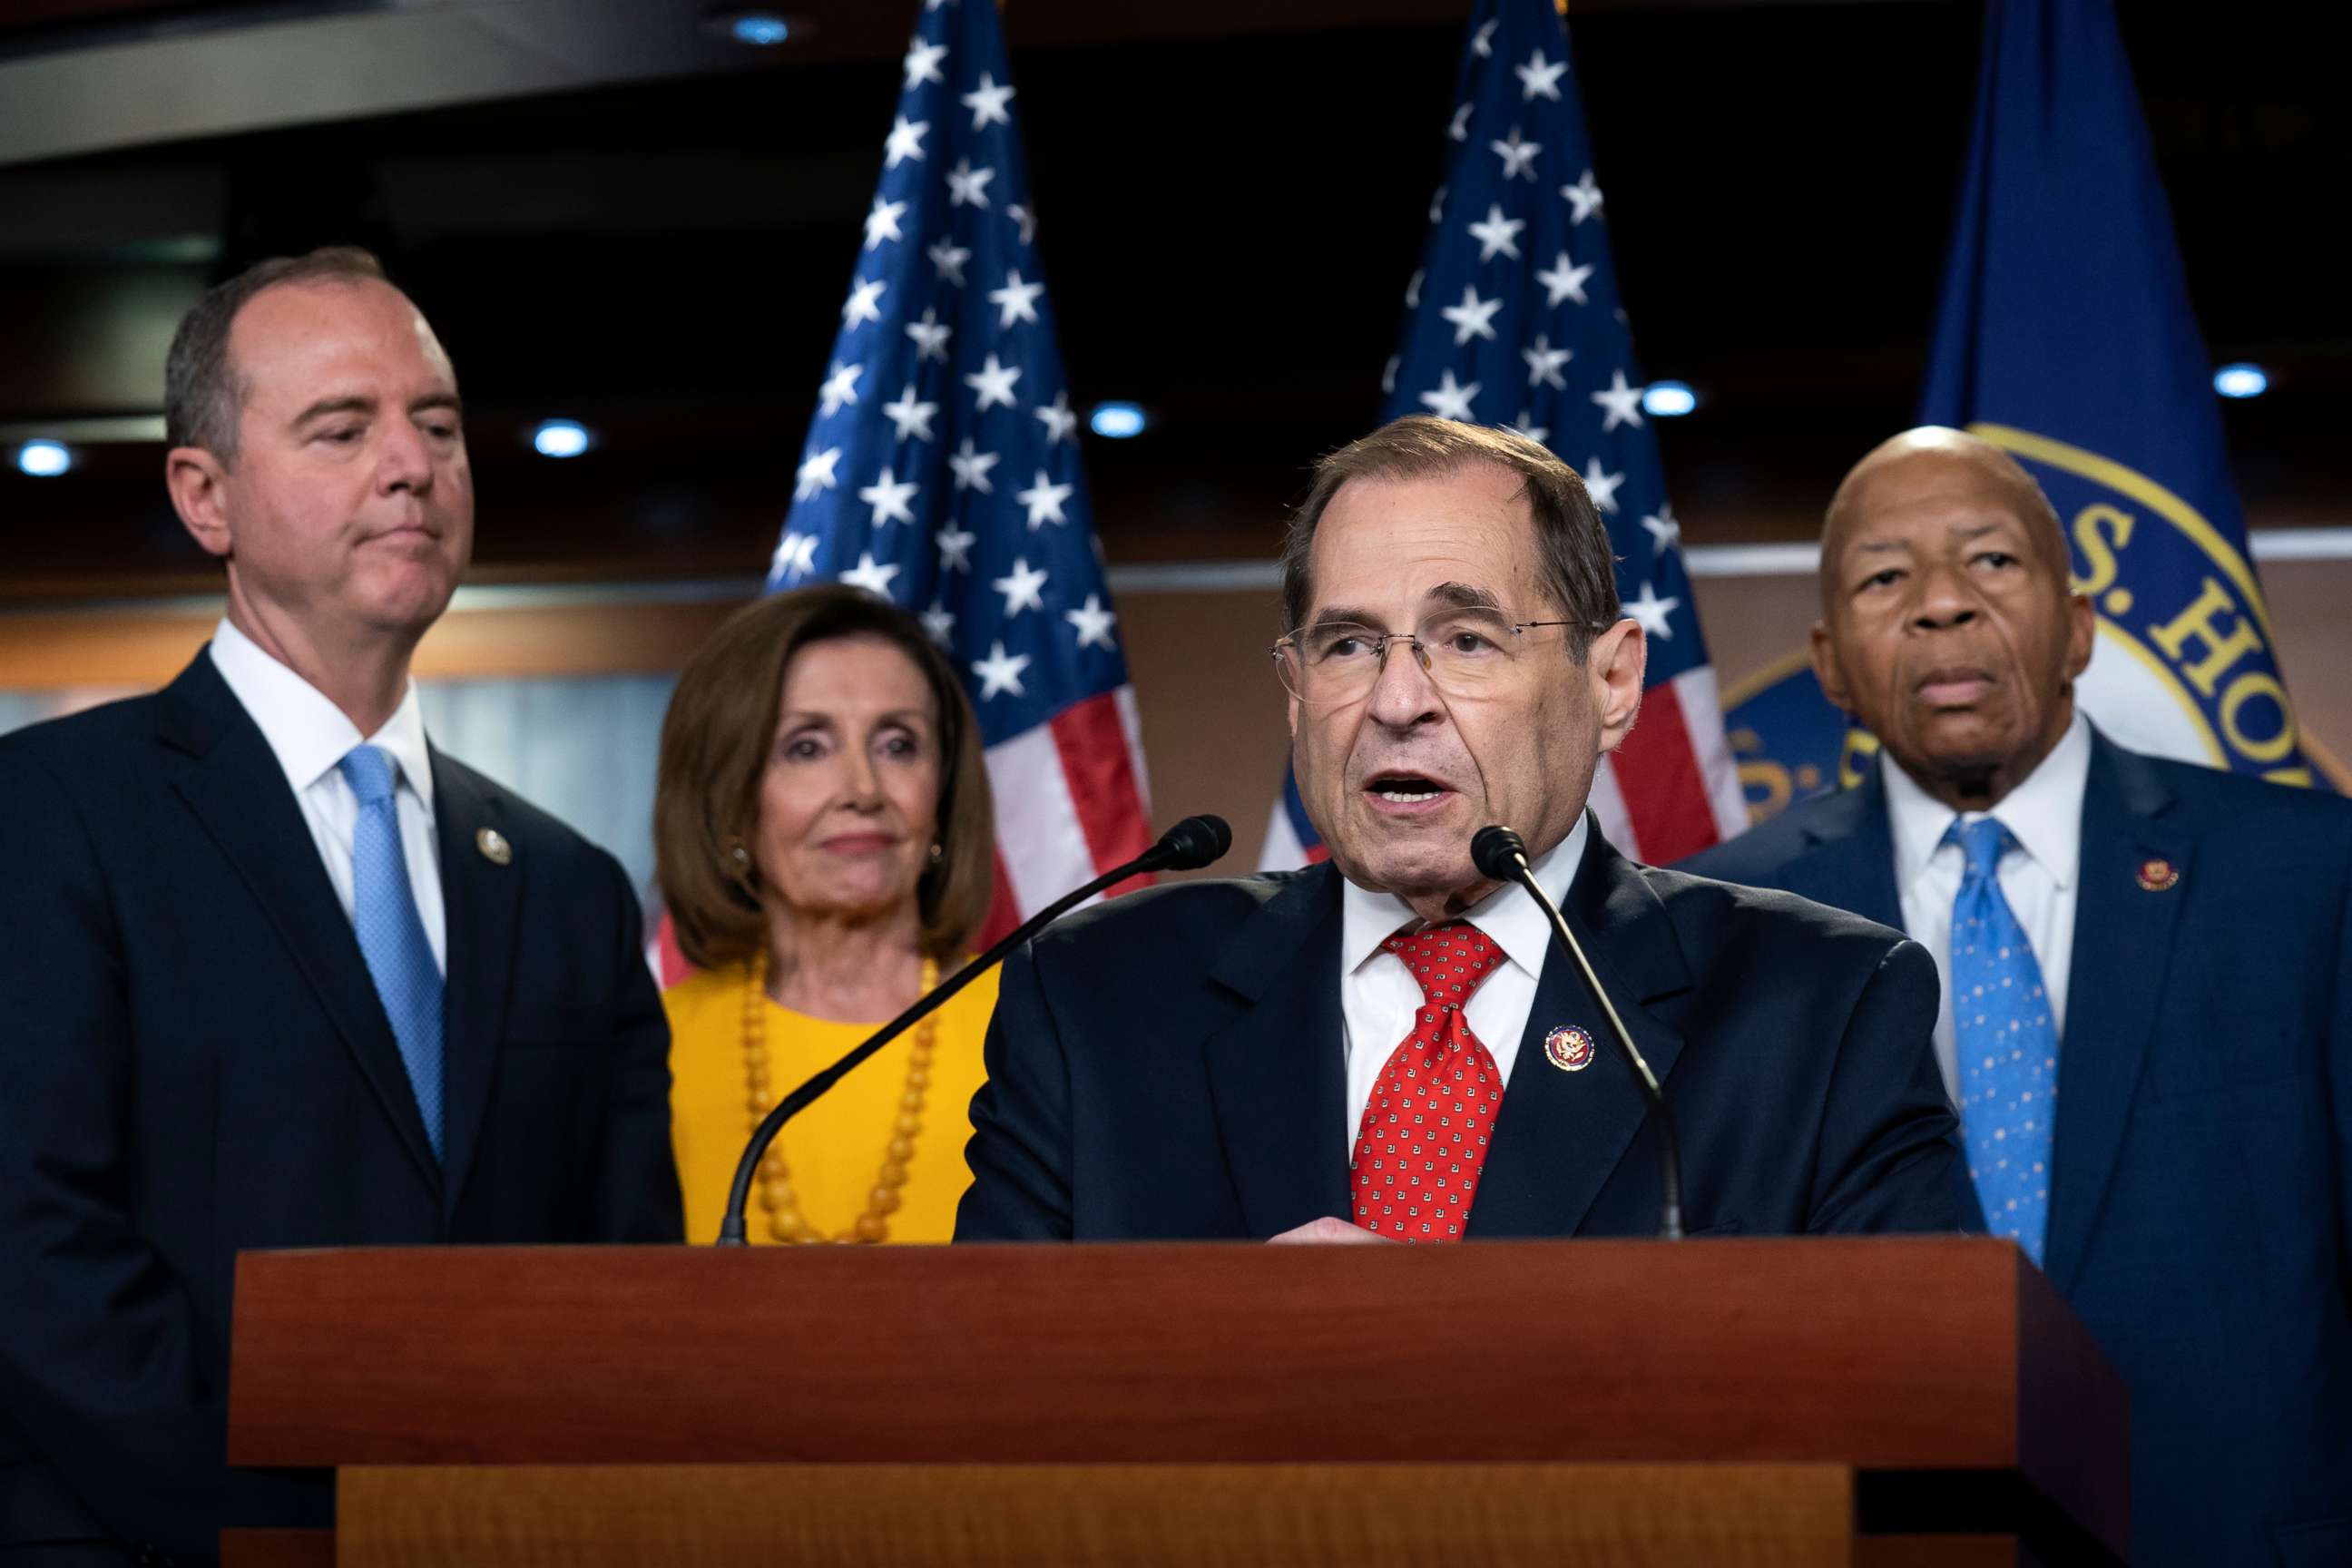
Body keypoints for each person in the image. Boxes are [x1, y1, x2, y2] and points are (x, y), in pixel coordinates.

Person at [0, 247, 682, 1564]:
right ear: (206, 497)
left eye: (436, 422)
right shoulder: (51, 817)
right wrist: (302, 1531)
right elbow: (32, 1251)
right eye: (342, 426)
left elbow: (619, 1285)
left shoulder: (564, 886)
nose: (412, 464)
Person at [956, 416, 1964, 1244]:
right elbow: (978, 1403)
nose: (1398, 700)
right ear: (1295, 691)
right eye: (1347, 644)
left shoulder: (1820, 1012)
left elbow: (1922, 1404)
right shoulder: (1094, 1003)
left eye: (1466, 640)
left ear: (1612, 682)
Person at [1679, 426, 2352, 1566]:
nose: (1942, 604)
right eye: (1886, 577)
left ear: (2080, 626)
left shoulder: (2308, 873)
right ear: (1829, 660)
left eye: (1991, 561)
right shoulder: (1718, 922)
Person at [656, 585, 998, 1246]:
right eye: (806, 748)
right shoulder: (653, 1053)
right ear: (729, 797)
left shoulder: (1035, 1029)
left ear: (944, 791)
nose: (863, 791)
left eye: (899, 744)